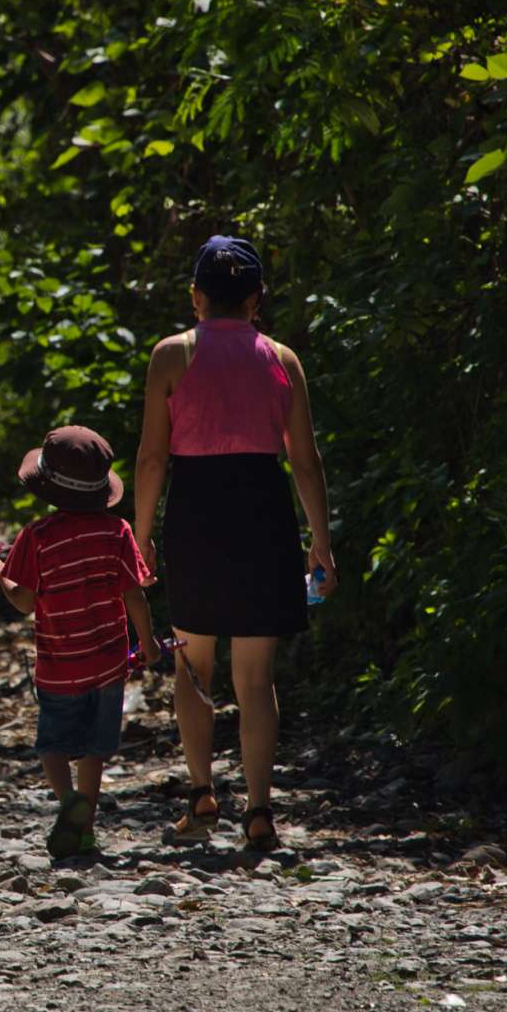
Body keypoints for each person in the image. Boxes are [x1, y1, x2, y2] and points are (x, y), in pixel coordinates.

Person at [132, 236, 337, 851]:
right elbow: (306, 461)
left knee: (193, 665)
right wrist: (320, 542)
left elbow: (151, 459)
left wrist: (139, 536)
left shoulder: (172, 355)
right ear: (255, 300)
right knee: (255, 676)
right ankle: (260, 812)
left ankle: (201, 796)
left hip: (195, 512)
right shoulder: (283, 359)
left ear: (195, 296)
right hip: (263, 512)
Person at [0, 425, 161, 859]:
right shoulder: (117, 532)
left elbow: (23, 602)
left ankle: (68, 802)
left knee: (53, 747)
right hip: (109, 664)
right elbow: (134, 594)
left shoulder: (37, 536)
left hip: (59, 666)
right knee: (94, 750)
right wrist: (148, 643)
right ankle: (87, 830)